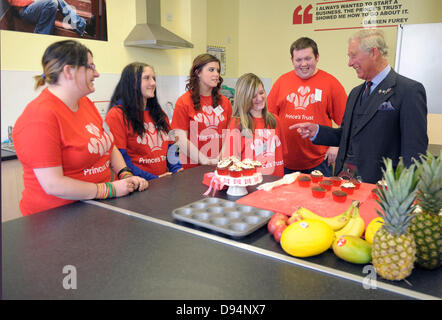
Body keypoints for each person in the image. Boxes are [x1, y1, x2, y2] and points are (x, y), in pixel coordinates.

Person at [12, 40, 149, 216]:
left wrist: (125, 175)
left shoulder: (85, 103)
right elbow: (53, 184)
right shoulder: (40, 116)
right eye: (91, 66)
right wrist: (108, 190)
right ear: (69, 71)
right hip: (55, 219)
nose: (97, 73)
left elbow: (107, 144)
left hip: (95, 208)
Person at [292, 29, 428, 184]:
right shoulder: (355, 93)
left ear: (373, 52)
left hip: (379, 187)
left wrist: (409, 191)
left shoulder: (408, 91)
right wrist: (318, 131)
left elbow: (415, 152)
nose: (349, 63)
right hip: (345, 182)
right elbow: (346, 135)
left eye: (353, 55)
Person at [267, 37, 347, 177]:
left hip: (319, 162)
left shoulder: (331, 83)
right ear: (292, 60)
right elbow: (268, 118)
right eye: (298, 60)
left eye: (308, 58)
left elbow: (346, 122)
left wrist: (335, 146)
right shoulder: (281, 82)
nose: (303, 64)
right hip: (284, 161)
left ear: (317, 57)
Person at [105, 62, 183, 181]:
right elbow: (121, 158)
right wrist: (153, 179)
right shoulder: (116, 115)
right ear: (132, 83)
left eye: (154, 78)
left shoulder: (159, 113)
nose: (153, 83)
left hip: (161, 182)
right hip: (135, 185)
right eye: (146, 78)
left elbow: (171, 146)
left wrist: (176, 168)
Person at [171, 53, 233, 169]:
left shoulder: (225, 102)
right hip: (193, 169)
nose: (216, 75)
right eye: (211, 70)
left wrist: (221, 157)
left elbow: (229, 134)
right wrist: (204, 160)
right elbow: (180, 138)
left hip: (220, 166)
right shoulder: (184, 102)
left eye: (218, 71)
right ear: (198, 72)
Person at [224, 73, 286, 177]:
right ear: (244, 99)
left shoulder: (274, 120)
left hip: (275, 184)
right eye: (253, 96)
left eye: (261, 93)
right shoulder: (237, 124)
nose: (259, 98)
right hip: (251, 187)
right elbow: (232, 163)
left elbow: (281, 153)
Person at [8, 0, 92, 36]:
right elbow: (15, 3)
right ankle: (41, 37)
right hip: (25, 11)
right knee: (51, 3)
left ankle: (82, 25)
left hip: (36, 7)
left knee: (54, 1)